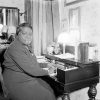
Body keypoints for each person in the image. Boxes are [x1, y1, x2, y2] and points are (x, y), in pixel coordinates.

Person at [2, 23, 56, 100]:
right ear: (18, 35)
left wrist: (46, 65)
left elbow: (32, 63)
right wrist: (49, 72)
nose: (28, 36)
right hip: (16, 83)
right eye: (24, 33)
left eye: (30, 34)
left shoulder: (26, 46)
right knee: (47, 95)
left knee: (48, 88)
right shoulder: (15, 48)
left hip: (26, 78)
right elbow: (31, 69)